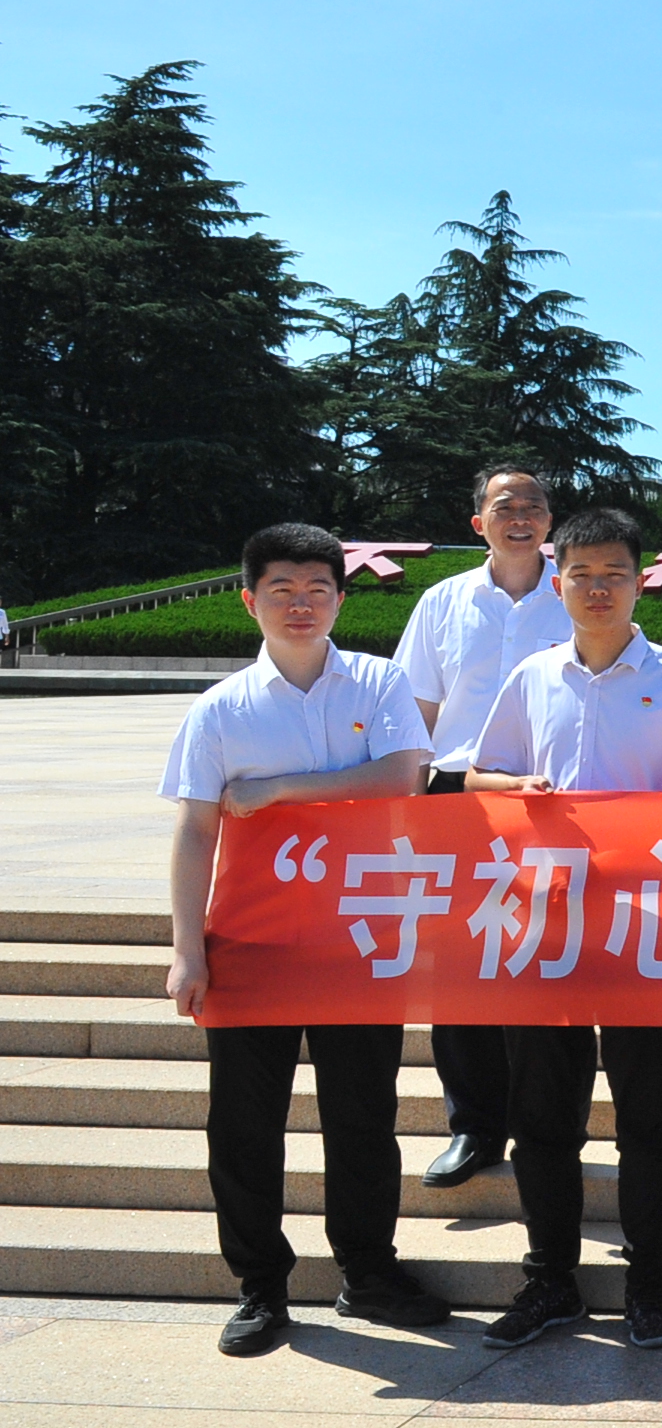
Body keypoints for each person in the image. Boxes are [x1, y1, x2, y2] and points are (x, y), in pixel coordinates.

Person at [162, 524, 445, 1356]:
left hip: (358, 939)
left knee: (363, 1116)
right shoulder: (221, 709)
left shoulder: (378, 681)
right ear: (248, 599)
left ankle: (369, 1271)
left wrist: (282, 789)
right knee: (244, 1124)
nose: (301, 604)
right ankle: (260, 1286)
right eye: (282, 589)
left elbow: (403, 777)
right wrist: (187, 949)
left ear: (340, 599)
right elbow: (194, 832)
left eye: (318, 589)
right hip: (251, 943)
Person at [467, 507, 662, 1351]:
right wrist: (517, 789)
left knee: (647, 1116)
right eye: (581, 575)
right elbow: (477, 779)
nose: (597, 588)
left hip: (644, 929)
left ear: (640, 582)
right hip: (545, 925)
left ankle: (649, 1279)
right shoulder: (533, 676)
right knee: (542, 1115)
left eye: (614, 573)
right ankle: (551, 1279)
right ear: (558, 585)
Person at [393, 463, 573, 1192]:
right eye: (505, 506)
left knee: (545, 960)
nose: (520, 516)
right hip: (456, 796)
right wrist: (407, 804)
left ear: (550, 521)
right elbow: (415, 711)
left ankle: (545, 1127)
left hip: (550, 799)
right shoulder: (443, 601)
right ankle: (473, 1125)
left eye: (533, 505)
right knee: (460, 966)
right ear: (479, 523)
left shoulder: (578, 594)